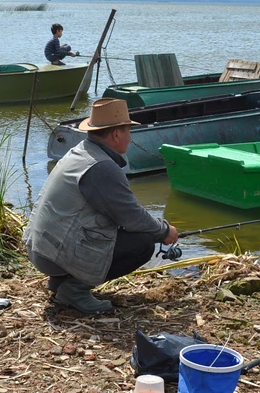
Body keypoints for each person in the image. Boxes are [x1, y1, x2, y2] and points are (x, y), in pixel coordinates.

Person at [23, 98, 178, 313]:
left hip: (40, 248)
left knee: (120, 230)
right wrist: (164, 230)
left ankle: (61, 282)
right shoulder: (102, 167)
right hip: (53, 256)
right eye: (128, 131)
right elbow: (132, 217)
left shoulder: (80, 150)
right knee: (142, 244)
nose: (130, 137)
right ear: (116, 134)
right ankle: (75, 290)